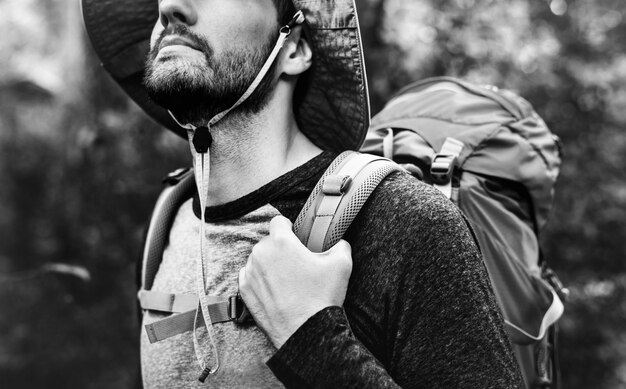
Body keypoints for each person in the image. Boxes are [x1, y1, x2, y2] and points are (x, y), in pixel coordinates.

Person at [82, 0, 524, 387]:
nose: (169, 7)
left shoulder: (405, 223)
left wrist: (312, 337)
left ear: (293, 48)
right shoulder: (170, 219)